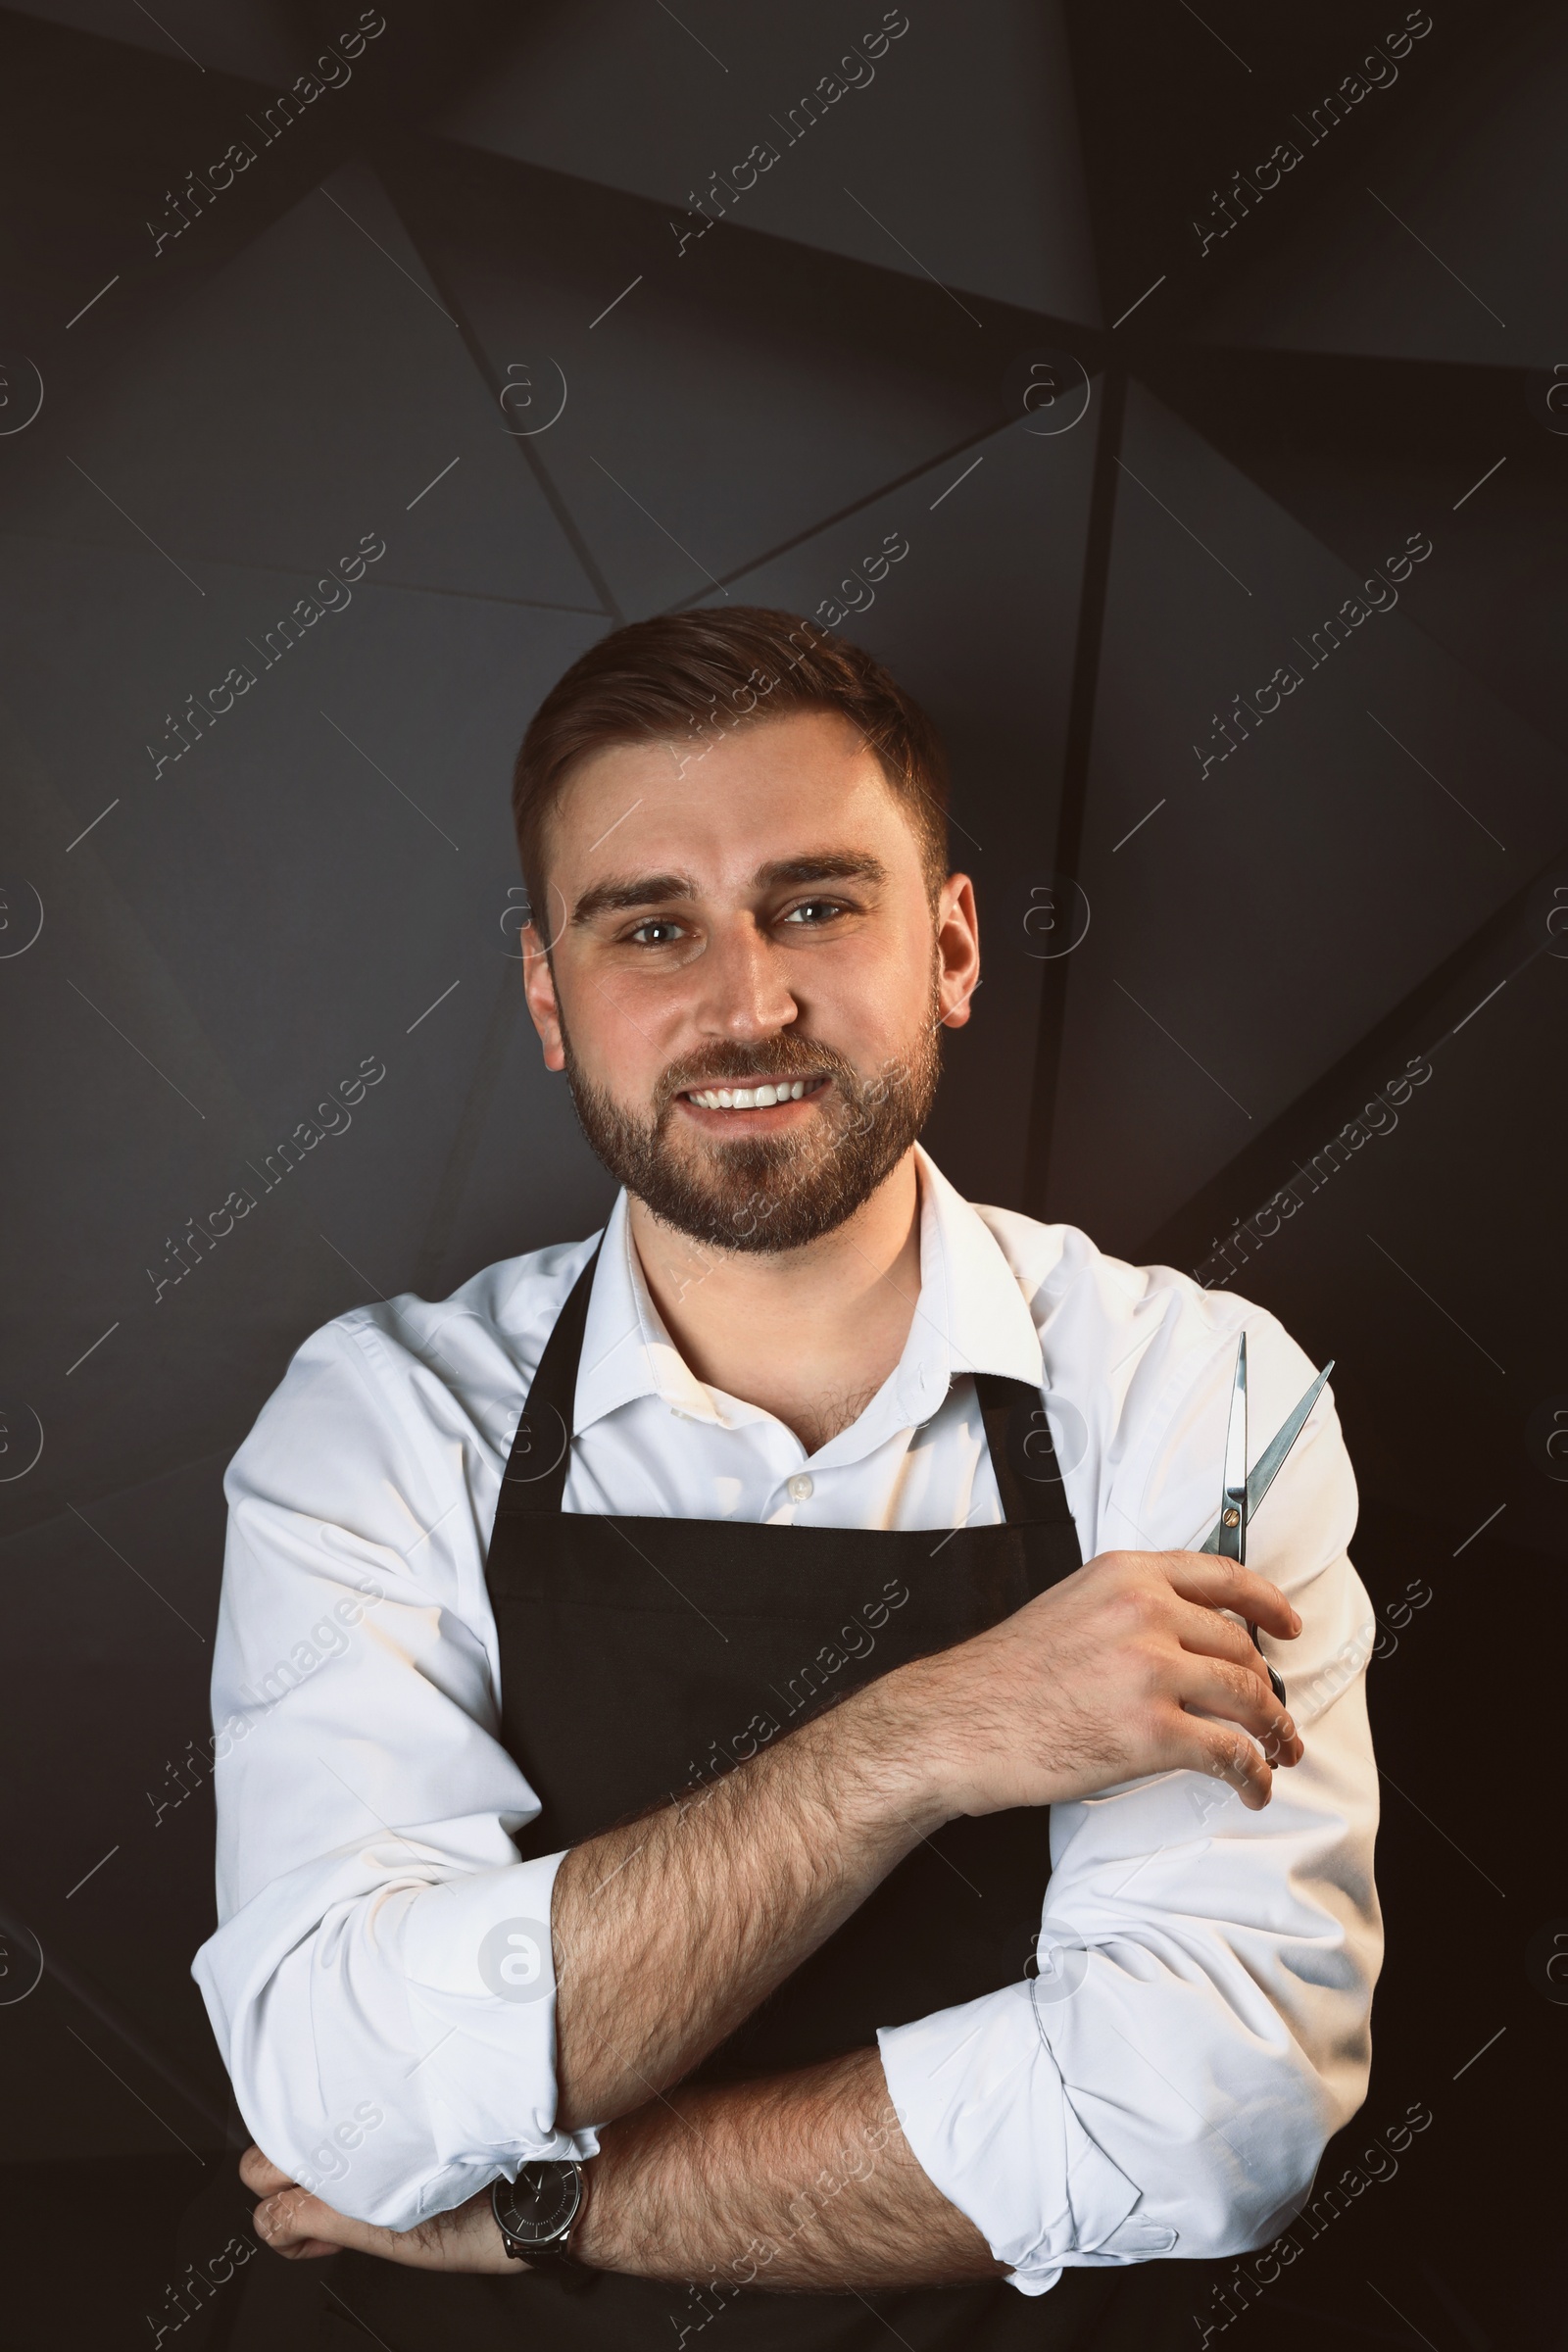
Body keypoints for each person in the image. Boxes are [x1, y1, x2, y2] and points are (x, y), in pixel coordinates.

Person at [192, 609, 1381, 2350]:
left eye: (817, 905)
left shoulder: (1192, 1394)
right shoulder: (380, 1422)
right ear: (548, 995)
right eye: (650, 927)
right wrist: (915, 1746)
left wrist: (547, 2202)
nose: (745, 1001)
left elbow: (1209, 2106)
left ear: (955, 947)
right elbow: (346, 2098)